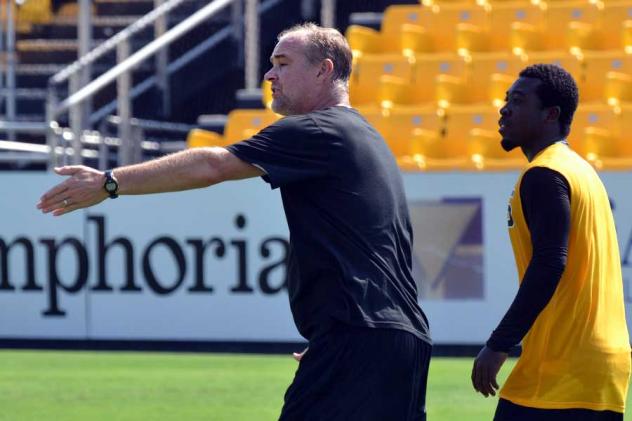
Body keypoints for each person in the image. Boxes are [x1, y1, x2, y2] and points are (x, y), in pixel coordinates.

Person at [37, 23, 432, 421]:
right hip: (394, 337)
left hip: (360, 337)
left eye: (282, 63)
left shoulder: (317, 128)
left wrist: (109, 182)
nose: (269, 75)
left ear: (323, 70)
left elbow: (212, 164)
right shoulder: (366, 135)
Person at [471, 63, 631, 420]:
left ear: (550, 114)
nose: (504, 108)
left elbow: (549, 262)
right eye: (505, 99)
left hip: (561, 367)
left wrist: (499, 343)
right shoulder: (581, 170)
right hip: (602, 370)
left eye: (518, 100)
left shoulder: (545, 173)